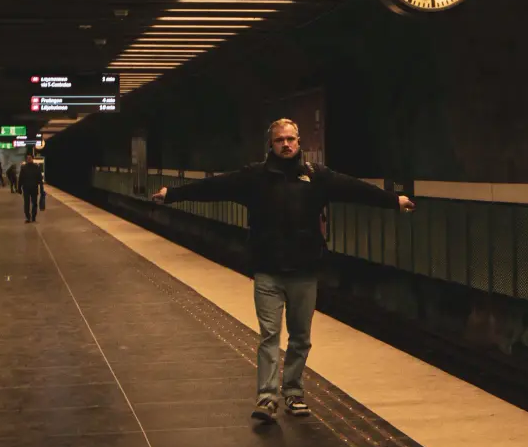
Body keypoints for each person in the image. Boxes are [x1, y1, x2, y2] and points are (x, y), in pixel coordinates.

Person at [152, 118, 415, 422]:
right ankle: (267, 398)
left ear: (299, 142)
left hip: (305, 271)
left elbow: (354, 189)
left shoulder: (316, 176)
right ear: (271, 144)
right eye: (280, 140)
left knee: (301, 336)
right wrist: (172, 194)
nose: (286, 145)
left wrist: (393, 200)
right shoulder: (255, 177)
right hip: (268, 271)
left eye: (291, 139)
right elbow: (214, 187)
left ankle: (293, 392)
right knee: (269, 336)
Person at [17, 152, 44, 222]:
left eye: (30, 158)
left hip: (32, 188)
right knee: (27, 203)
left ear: (32, 159)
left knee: (33, 203)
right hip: (27, 188)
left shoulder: (35, 167)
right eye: (28, 158)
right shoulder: (26, 168)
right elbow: (20, 179)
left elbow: (40, 179)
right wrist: (19, 188)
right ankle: (28, 217)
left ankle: (32, 216)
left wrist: (41, 188)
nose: (29, 159)